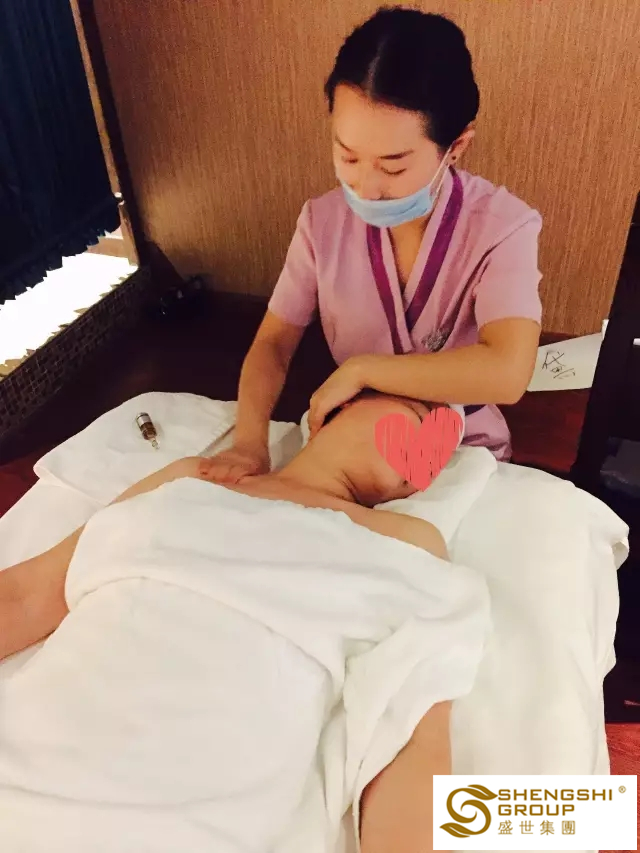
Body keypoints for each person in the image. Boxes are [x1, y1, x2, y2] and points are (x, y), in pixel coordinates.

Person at [0, 392, 479, 853]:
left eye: (437, 456)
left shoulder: (405, 542)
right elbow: (26, 595)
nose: (426, 456)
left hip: (186, 826)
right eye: (418, 416)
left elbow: (413, 745)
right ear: (336, 407)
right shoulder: (194, 479)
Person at [206, 6, 542, 484]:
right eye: (347, 157)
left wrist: (365, 371)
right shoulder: (321, 223)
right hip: (352, 437)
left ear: (456, 146)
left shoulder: (503, 228)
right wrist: (248, 443)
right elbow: (274, 344)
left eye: (393, 166)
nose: (366, 187)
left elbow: (508, 372)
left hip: (462, 447)